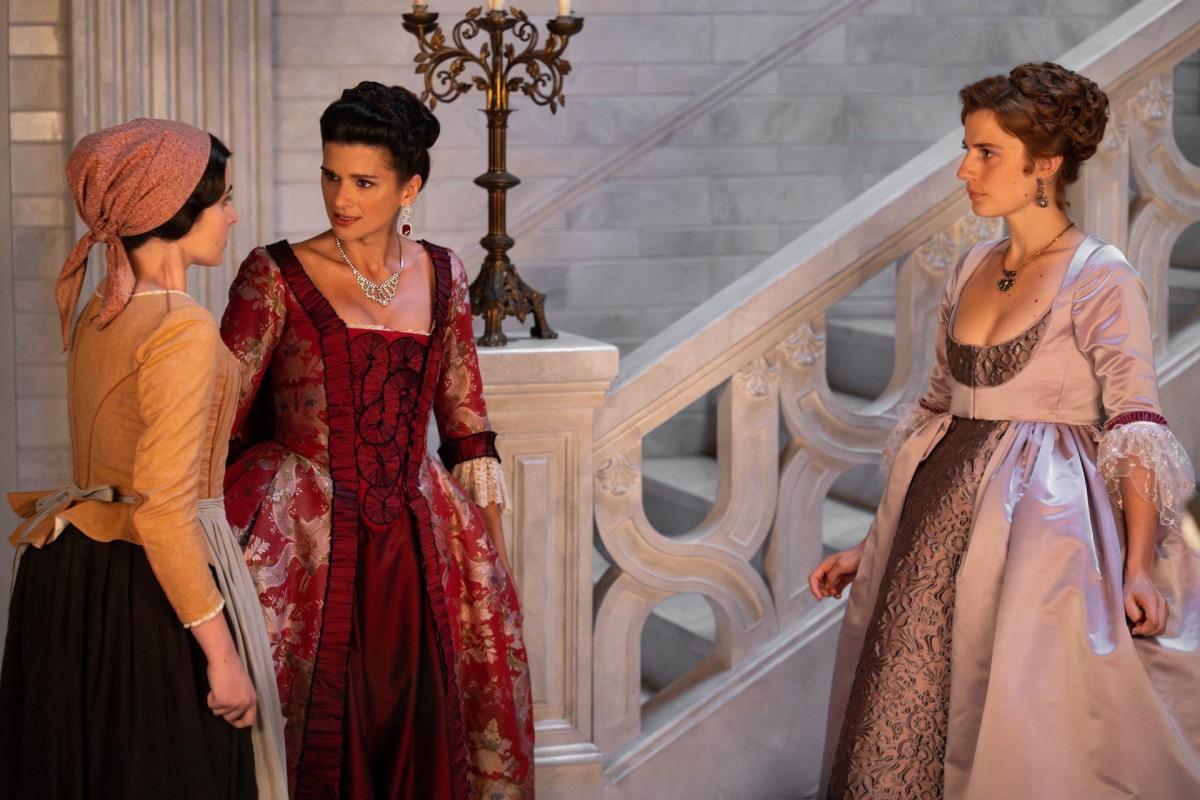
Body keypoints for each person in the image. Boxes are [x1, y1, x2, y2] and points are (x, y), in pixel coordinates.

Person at [809, 63, 1200, 799]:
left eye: (987, 152)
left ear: (1045, 163)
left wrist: (1140, 566)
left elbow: (1136, 423)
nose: (966, 169)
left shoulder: (1102, 275)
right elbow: (935, 410)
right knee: (910, 698)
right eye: (967, 149)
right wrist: (875, 543)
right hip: (936, 521)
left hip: (1047, 528)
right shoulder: (970, 266)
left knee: (1022, 708)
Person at [221, 81, 534, 799]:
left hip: (422, 542)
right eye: (331, 175)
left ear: (409, 188)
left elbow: (467, 428)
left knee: (421, 727)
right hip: (306, 545)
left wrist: (496, 575)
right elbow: (218, 422)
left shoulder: (446, 273)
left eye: (364, 182)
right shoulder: (273, 274)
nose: (341, 198)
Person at [0, 118, 287, 799]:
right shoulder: (181, 327)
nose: (232, 215)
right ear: (175, 208)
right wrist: (223, 657)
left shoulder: (101, 310)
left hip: (73, 572)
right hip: (151, 584)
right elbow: (161, 512)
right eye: (223, 200)